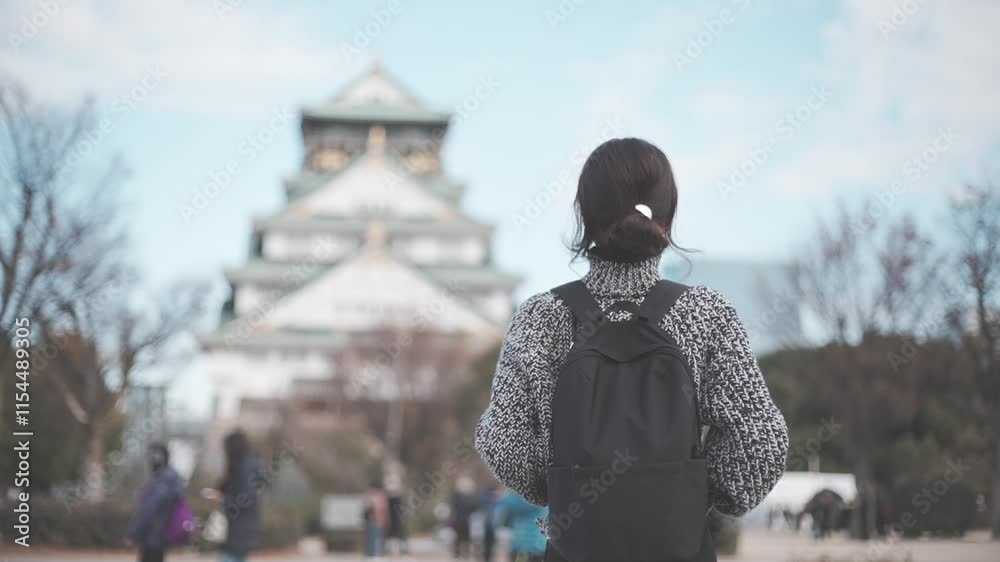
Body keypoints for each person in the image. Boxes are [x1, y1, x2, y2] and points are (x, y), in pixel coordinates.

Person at [474, 138, 789, 562]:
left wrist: (562, 487)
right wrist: (688, 494)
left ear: (584, 214)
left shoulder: (539, 316)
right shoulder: (706, 313)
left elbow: (500, 437)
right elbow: (762, 442)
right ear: (668, 215)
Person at [209, 430, 263, 562]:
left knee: (230, 556)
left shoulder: (245, 468)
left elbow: (246, 498)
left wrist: (222, 499)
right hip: (240, 527)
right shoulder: (244, 465)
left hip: (239, 527)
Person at [127, 442, 183, 562]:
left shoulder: (163, 480)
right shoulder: (170, 478)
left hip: (153, 535)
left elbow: (149, 509)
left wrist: (134, 532)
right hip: (160, 535)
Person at [493, 491, 547, 562]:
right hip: (541, 545)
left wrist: (501, 497)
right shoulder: (546, 496)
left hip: (525, 547)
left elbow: (508, 504)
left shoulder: (525, 498)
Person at [450, 476, 477, 560]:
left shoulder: (467, 498)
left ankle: (464, 554)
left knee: (465, 539)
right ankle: (457, 555)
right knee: (458, 538)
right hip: (459, 520)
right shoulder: (456, 496)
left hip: (465, 521)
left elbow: (473, 507)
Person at [362, 477, 390, 559]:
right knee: (377, 539)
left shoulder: (369, 495)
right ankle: (375, 555)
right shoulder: (381, 496)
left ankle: (371, 555)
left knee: (372, 539)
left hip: (373, 521)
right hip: (377, 521)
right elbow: (384, 510)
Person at [479, 485, 501, 562]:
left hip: (493, 524)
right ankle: (486, 558)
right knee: (487, 543)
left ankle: (490, 558)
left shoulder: (495, 500)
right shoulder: (488, 499)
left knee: (491, 543)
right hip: (487, 524)